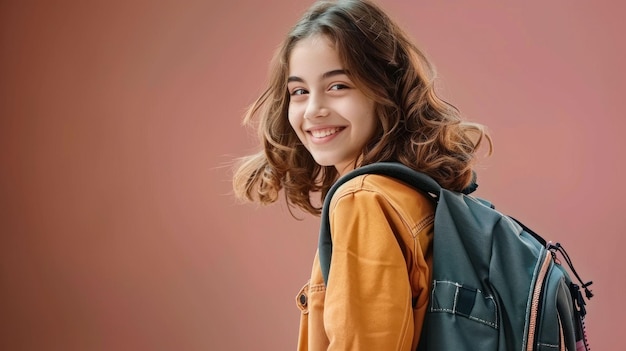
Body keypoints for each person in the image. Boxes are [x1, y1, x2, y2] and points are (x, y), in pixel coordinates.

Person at [233, 0, 491, 350]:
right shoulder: (413, 192)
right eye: (299, 91)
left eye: (338, 86)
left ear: (383, 90)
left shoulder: (362, 200)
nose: (314, 110)